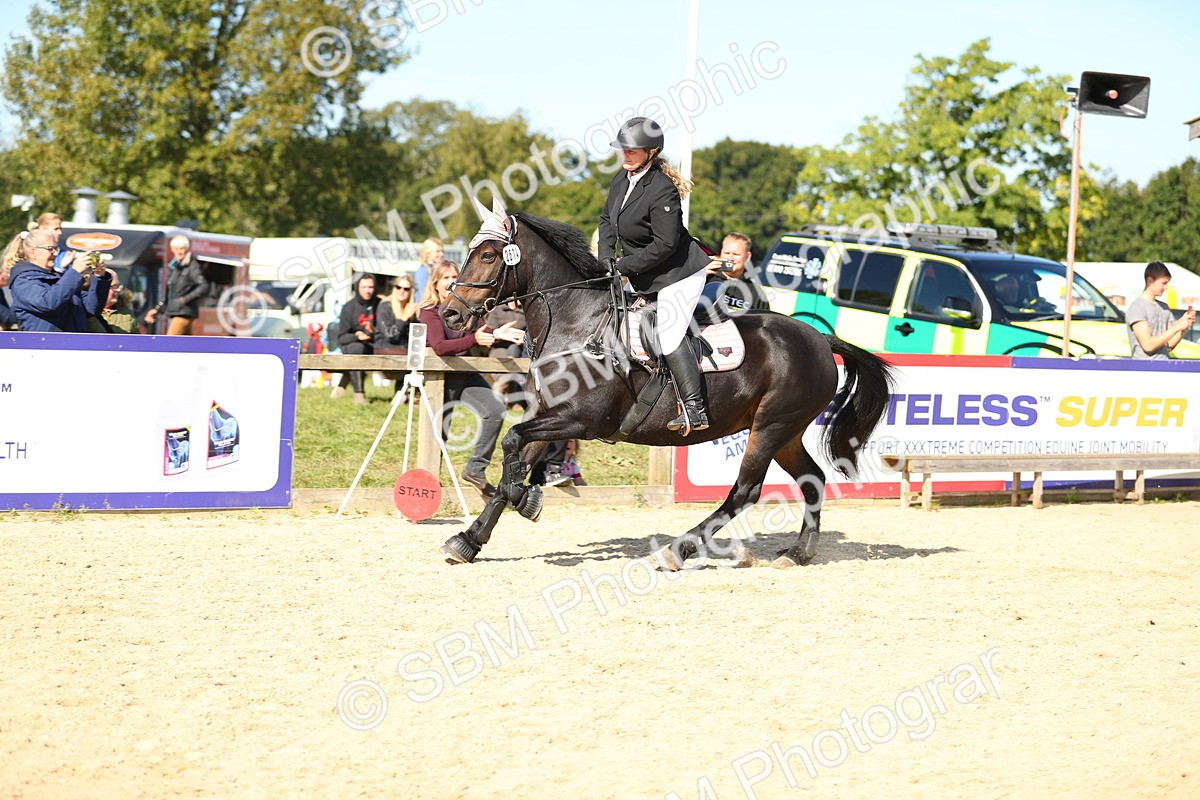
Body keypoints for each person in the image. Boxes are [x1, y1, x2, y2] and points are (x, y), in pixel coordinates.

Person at [598, 116, 716, 433]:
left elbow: (666, 244)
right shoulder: (620, 181)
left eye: (633, 150)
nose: (625, 155)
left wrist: (622, 266)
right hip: (645, 272)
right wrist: (606, 259)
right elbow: (607, 222)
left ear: (652, 152)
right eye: (623, 149)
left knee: (668, 331)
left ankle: (695, 409)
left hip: (679, 273)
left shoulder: (662, 189)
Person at [418, 259, 523, 497]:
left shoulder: (465, 308)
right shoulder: (430, 312)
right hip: (441, 379)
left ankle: (475, 470)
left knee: (496, 410)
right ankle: (428, 488)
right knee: (439, 435)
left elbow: (481, 331)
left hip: (467, 374)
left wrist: (497, 334)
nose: (451, 282)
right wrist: (474, 340)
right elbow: (440, 346)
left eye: (455, 277)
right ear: (435, 284)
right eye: (446, 278)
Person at [8, 229, 110, 332]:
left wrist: (100, 277)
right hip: (44, 345)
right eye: (50, 249)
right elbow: (47, 304)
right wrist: (75, 272)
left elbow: (91, 308)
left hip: (71, 344)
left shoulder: (60, 278)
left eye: (56, 249)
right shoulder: (23, 280)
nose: (55, 254)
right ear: (32, 251)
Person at [1126, 261, 1196, 360]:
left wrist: (1184, 327)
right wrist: (1177, 326)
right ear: (1150, 280)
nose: (1166, 287)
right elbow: (1148, 345)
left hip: (1164, 368)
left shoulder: (1164, 307)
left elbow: (1169, 345)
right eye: (1163, 283)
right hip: (1143, 370)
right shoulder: (1137, 307)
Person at [144, 235, 209, 334]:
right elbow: (170, 293)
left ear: (187, 249)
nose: (179, 252)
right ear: (172, 249)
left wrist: (184, 300)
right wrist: (157, 309)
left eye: (182, 248)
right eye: (176, 249)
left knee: (169, 343)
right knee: (185, 346)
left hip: (184, 313)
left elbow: (204, 286)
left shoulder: (192, 266)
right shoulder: (175, 267)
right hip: (178, 311)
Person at [333, 273, 378, 405]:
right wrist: (357, 335)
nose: (367, 290)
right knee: (357, 348)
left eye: (370, 287)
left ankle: (402, 394)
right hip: (352, 346)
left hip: (375, 343)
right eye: (364, 287)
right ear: (357, 287)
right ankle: (359, 395)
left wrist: (373, 331)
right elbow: (342, 337)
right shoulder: (349, 307)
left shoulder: (380, 304)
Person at [706, 231, 768, 312]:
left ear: (748, 256)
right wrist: (702, 274)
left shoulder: (757, 294)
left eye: (736, 254)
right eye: (727, 253)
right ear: (721, 252)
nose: (730, 258)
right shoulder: (706, 277)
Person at [373, 276, 420, 354]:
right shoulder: (385, 306)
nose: (402, 291)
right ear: (395, 288)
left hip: (404, 349)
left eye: (406, 289)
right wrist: (404, 318)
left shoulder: (411, 308)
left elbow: (415, 336)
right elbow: (390, 336)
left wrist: (418, 316)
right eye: (398, 287)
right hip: (385, 348)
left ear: (411, 291)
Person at [87, 269, 140, 333]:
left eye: (117, 286)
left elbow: (137, 340)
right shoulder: (85, 312)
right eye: (113, 286)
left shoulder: (127, 312)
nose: (118, 290)